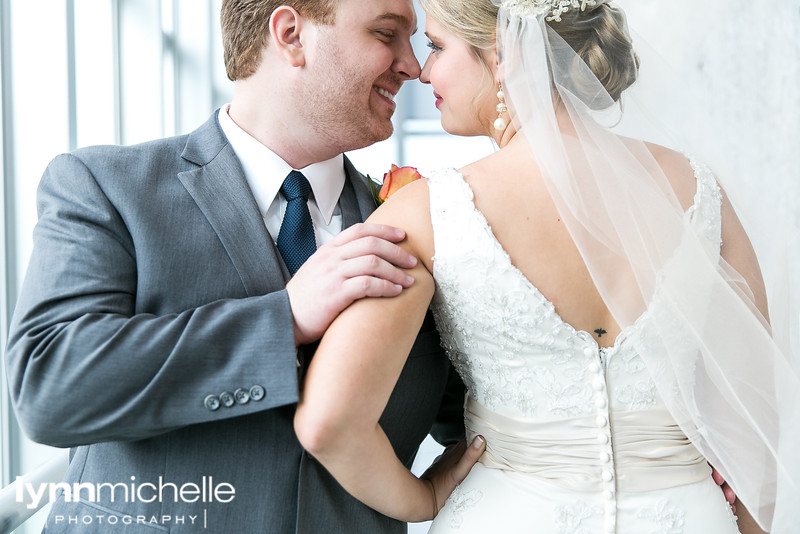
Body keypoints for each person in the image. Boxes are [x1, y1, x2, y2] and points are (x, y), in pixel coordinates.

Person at [294, 0, 800, 532]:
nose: (422, 69)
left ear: (506, 53)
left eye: (438, 47)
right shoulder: (700, 190)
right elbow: (754, 419)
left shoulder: (428, 213)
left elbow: (331, 424)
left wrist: (421, 499)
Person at [4, 0, 478, 532]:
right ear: (291, 34)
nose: (412, 66)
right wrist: (285, 320)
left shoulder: (427, 228)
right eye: (387, 34)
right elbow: (49, 387)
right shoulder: (104, 187)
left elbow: (480, 411)